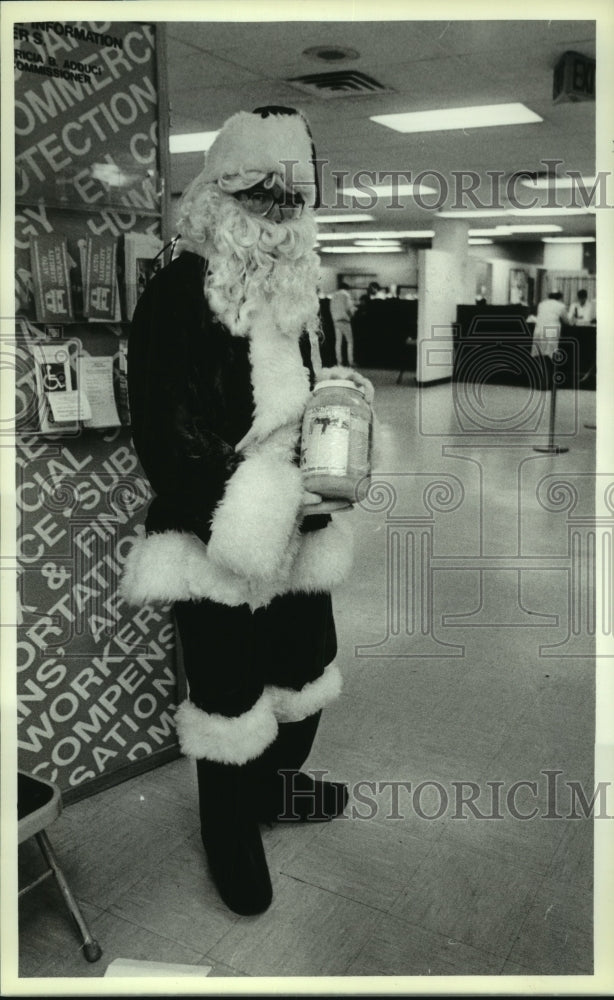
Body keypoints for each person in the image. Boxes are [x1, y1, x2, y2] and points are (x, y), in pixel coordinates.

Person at [119, 106, 375, 917]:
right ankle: (230, 829)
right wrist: (262, 497)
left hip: (299, 523)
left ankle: (274, 790)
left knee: (305, 674)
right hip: (215, 533)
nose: (277, 216)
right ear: (220, 197)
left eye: (290, 202)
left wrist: (343, 419)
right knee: (229, 702)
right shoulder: (176, 292)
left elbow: (295, 404)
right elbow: (167, 439)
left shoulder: (290, 292)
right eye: (262, 198)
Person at [531, 291, 569, 386]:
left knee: (539, 356)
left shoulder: (542, 304)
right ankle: (547, 383)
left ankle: (539, 382)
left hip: (539, 329)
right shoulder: (561, 305)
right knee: (550, 357)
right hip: (551, 329)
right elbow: (567, 321)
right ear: (560, 298)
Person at [329, 281, 355, 366]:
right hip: (345, 320)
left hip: (336, 320)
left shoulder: (334, 296)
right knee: (349, 341)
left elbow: (331, 308)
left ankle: (339, 362)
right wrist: (352, 314)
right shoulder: (346, 295)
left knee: (338, 342)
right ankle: (350, 361)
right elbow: (349, 308)